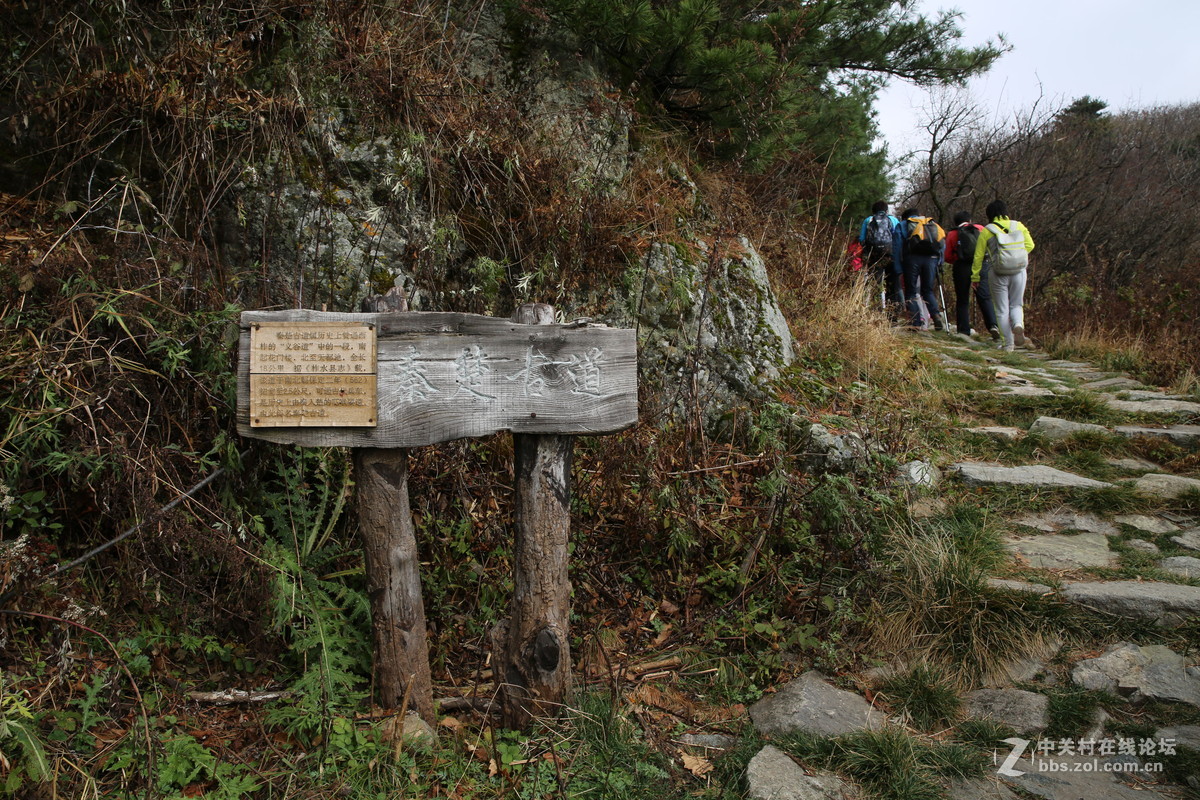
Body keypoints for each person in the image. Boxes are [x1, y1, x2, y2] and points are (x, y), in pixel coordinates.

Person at [971, 200, 1035, 351]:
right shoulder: (1018, 225)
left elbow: (978, 256)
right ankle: (1018, 324)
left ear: (989, 215)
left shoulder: (987, 230)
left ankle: (1008, 344)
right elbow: (1030, 245)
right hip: (1019, 271)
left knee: (1001, 309)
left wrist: (975, 277)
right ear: (1005, 212)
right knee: (1016, 304)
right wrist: (1017, 257)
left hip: (998, 272)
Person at [944, 210, 999, 339]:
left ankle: (964, 330)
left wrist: (957, 259)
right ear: (970, 220)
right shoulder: (980, 228)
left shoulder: (952, 233)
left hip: (962, 267)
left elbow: (947, 256)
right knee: (984, 296)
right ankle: (993, 325)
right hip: (981, 265)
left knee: (962, 299)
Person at [893, 207, 946, 330]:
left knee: (911, 291)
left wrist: (898, 268)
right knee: (927, 290)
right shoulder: (931, 224)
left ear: (905, 217)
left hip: (912, 259)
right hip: (931, 259)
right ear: (919, 215)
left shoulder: (903, 225)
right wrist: (939, 262)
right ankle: (936, 315)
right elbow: (942, 245)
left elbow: (897, 248)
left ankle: (915, 323)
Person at [858, 201, 902, 318]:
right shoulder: (893, 220)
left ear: (873, 211)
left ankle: (876, 313)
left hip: (875, 257)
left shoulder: (868, 220)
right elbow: (898, 239)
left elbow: (862, 239)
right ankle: (892, 316)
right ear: (886, 210)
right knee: (892, 285)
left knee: (876, 284)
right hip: (891, 256)